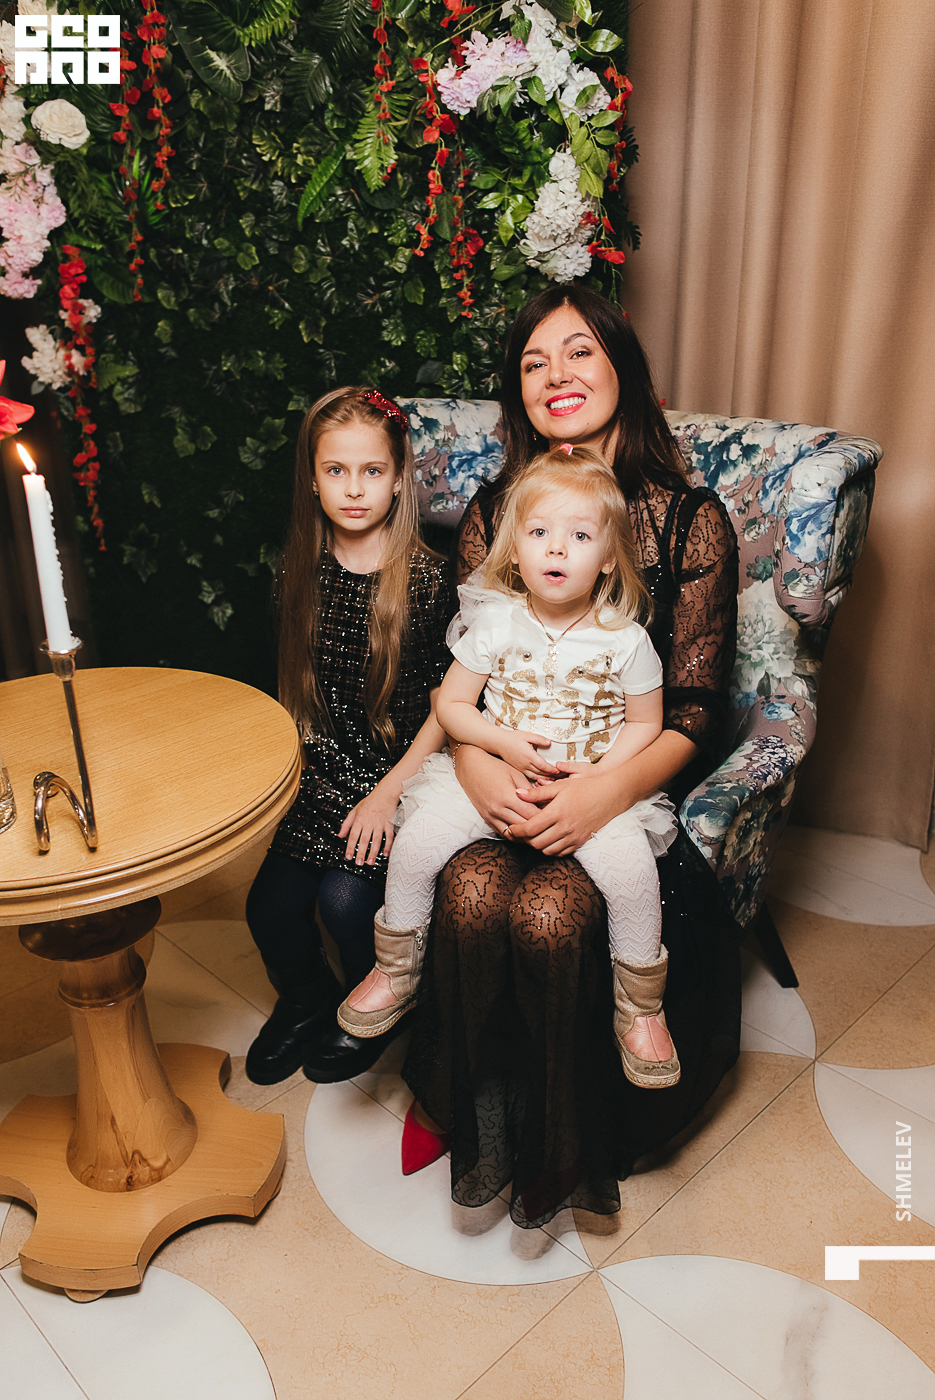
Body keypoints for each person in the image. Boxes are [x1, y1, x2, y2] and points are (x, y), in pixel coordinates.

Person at [400, 286, 742, 1226]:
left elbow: (696, 708)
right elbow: (464, 673)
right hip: (500, 767)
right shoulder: (496, 512)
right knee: (470, 894)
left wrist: (604, 793)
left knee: (548, 916)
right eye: (533, 361)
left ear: (622, 366)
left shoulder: (687, 517)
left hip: (620, 782)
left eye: (579, 350)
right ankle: (470, 1105)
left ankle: (564, 1142)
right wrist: (477, 768)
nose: (556, 374)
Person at [337, 447, 683, 1106]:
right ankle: (395, 968)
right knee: (416, 843)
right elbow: (452, 706)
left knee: (635, 875)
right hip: (491, 778)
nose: (557, 548)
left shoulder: (626, 639)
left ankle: (639, 1009)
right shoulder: (494, 622)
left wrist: (597, 777)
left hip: (585, 792)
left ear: (608, 558)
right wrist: (499, 744)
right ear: (516, 550)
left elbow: (646, 723)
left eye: (579, 536)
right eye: (540, 532)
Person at [244, 386, 451, 1086]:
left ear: (398, 478)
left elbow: (447, 710)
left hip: (402, 775)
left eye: (371, 471)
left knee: (344, 902)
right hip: (323, 772)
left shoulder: (426, 581)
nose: (354, 489)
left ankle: (378, 1006)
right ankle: (306, 1000)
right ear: (312, 478)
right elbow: (293, 694)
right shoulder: (295, 569)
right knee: (268, 907)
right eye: (336, 470)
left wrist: (389, 795)